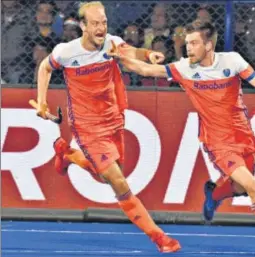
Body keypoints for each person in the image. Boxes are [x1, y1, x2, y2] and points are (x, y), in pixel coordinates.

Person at [108, 19, 255, 256]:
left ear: (209, 45)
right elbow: (145, 69)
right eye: (187, 42)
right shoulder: (184, 68)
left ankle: (213, 194)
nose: (188, 47)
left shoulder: (232, 61)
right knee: (253, 187)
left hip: (244, 135)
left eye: (193, 43)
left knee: (241, 189)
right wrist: (120, 59)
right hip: (217, 141)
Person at [35, 1, 181, 253]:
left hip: (113, 119)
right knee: (119, 183)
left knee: (106, 177)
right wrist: (41, 101)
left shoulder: (110, 43)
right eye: (94, 23)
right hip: (87, 125)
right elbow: (45, 67)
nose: (101, 27)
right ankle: (159, 238)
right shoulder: (66, 52)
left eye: (103, 22)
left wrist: (148, 55)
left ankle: (68, 154)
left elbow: (130, 51)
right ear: (83, 26)